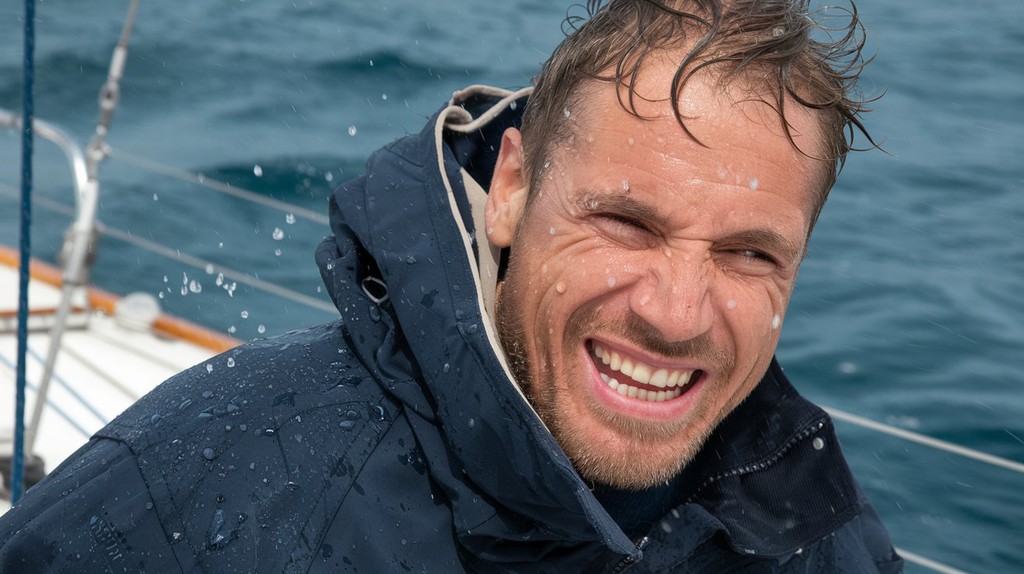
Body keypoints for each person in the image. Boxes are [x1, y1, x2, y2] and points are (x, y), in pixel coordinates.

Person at [0, 0, 902, 571]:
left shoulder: (815, 530)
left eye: (749, 255)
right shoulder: (204, 487)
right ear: (510, 189)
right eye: (626, 223)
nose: (674, 312)